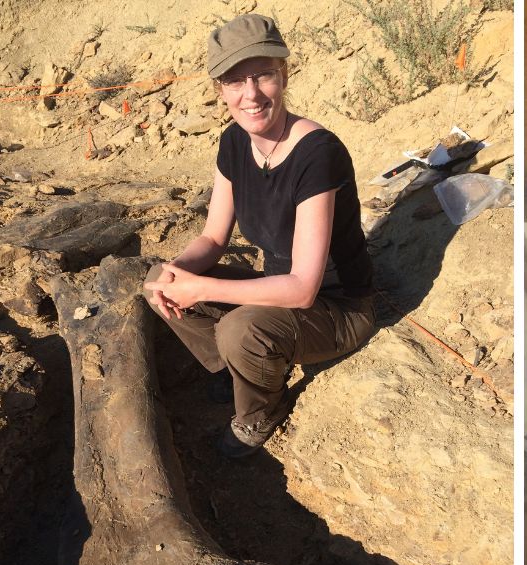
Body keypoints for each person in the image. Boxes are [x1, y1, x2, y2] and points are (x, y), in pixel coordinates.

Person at [143, 13, 375, 458]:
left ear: (283, 75)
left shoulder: (317, 153)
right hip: (278, 294)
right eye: (234, 81)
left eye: (262, 75)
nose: (250, 94)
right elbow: (213, 238)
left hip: (338, 308)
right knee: (160, 275)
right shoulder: (234, 142)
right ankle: (234, 371)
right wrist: (178, 276)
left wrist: (202, 287)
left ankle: (259, 412)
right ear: (220, 90)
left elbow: (304, 288)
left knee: (240, 329)